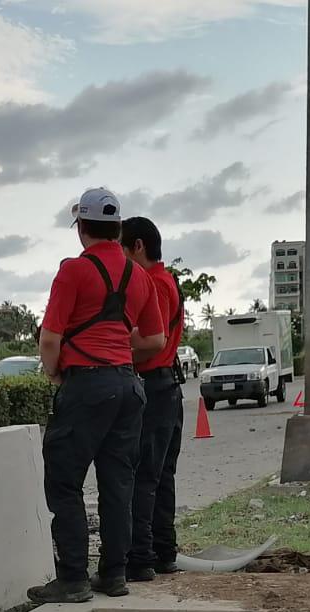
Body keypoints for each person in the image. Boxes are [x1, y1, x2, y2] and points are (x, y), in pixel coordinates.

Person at [28, 187, 166, 605]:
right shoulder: (139, 276)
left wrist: (56, 374)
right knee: (118, 483)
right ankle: (114, 573)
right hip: (128, 385)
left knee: (63, 482)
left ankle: (72, 578)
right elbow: (156, 339)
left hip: (87, 385)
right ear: (117, 228)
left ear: (81, 228)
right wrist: (119, 351)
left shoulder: (73, 271)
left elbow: (50, 338)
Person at [119, 216, 185, 581]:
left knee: (144, 476)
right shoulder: (167, 280)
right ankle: (163, 551)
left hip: (154, 385)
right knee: (161, 475)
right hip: (166, 386)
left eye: (121, 249)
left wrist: (110, 351)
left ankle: (141, 556)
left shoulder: (153, 283)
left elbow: (149, 341)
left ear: (138, 247)